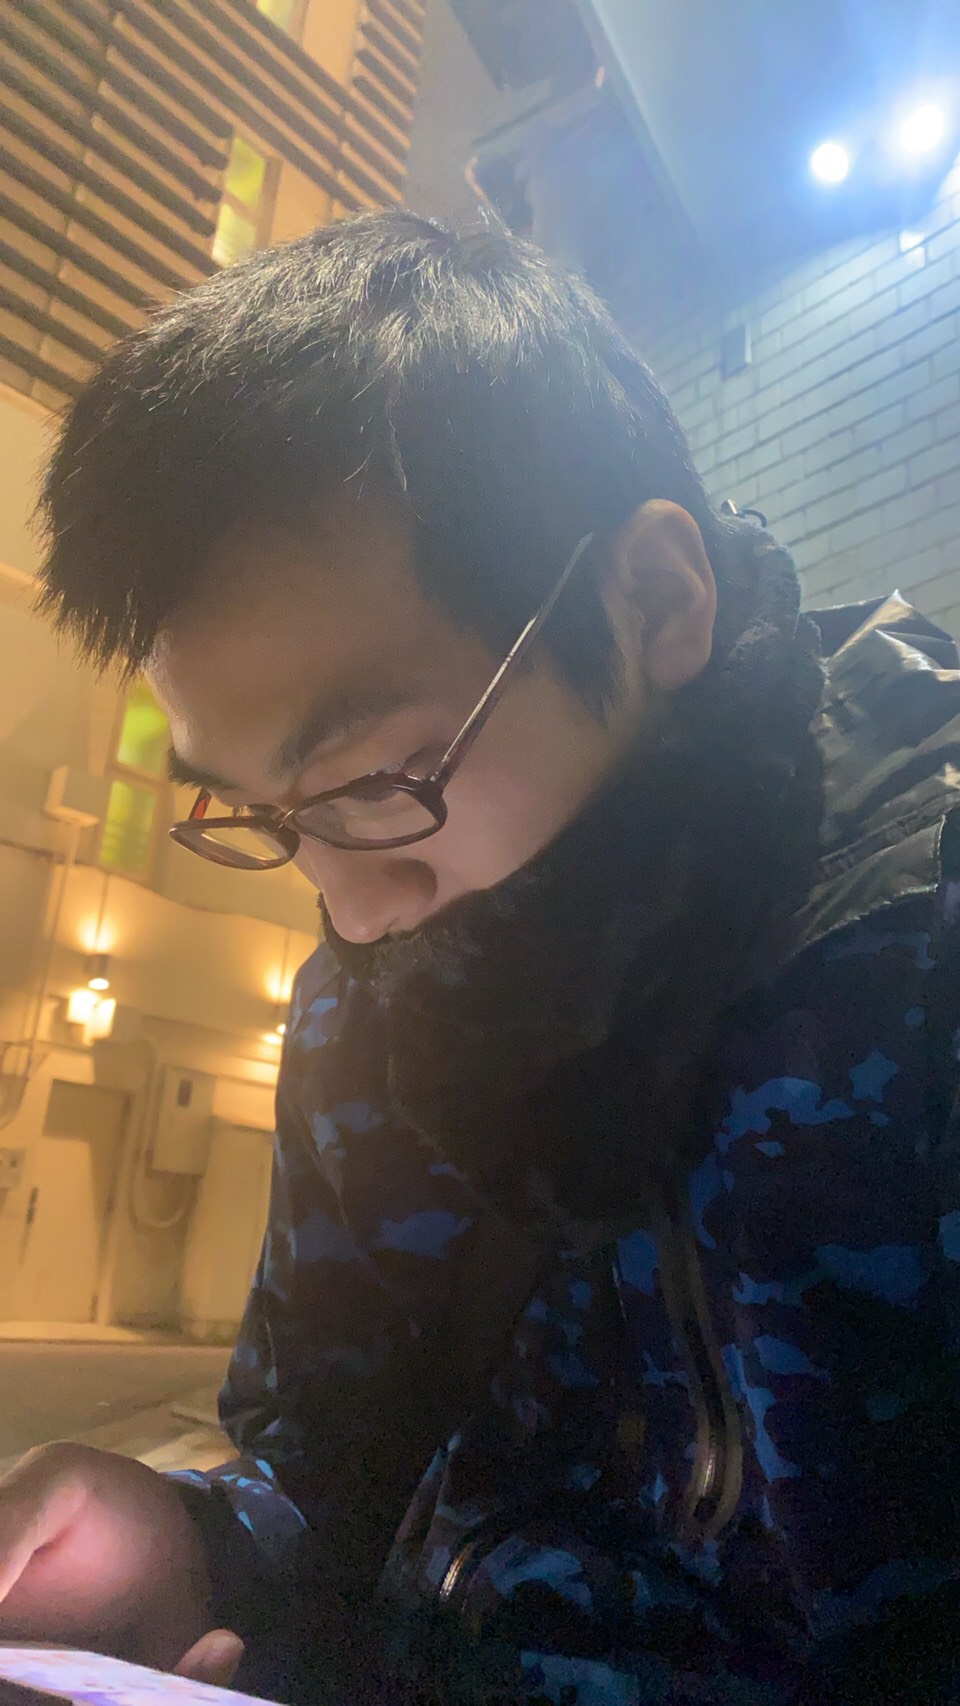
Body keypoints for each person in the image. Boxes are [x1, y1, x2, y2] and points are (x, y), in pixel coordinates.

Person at [3, 211, 960, 1705]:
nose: (349, 908)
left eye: (378, 780)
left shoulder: (916, 957)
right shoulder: (365, 1013)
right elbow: (340, 1474)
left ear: (655, 600)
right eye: (264, 814)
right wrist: (191, 1541)